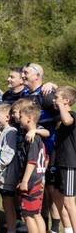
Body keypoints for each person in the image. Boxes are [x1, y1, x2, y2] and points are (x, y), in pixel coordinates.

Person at [21, 63, 62, 232]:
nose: (22, 75)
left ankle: (55, 227)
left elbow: (63, 113)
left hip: (47, 149)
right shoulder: (24, 94)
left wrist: (54, 87)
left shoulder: (45, 94)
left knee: (50, 190)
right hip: (30, 148)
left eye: (26, 73)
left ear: (37, 76)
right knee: (39, 191)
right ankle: (41, 224)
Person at [18, 105, 46, 233]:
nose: (18, 119)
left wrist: (24, 181)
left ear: (29, 118)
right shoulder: (37, 136)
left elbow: (32, 161)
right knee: (35, 213)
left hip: (31, 180)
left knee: (28, 214)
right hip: (38, 179)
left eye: (21, 117)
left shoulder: (32, 138)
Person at [52, 86, 76, 233]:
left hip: (69, 163)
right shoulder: (60, 117)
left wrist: (61, 104)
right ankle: (67, 230)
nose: (54, 100)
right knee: (57, 197)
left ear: (66, 101)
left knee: (69, 200)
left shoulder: (71, 114)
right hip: (60, 163)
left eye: (57, 98)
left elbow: (67, 120)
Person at [0, 104, 18, 233]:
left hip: (7, 175)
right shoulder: (3, 131)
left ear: (8, 117)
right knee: (6, 203)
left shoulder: (11, 132)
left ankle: (11, 229)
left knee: (8, 204)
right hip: (3, 174)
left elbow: (7, 154)